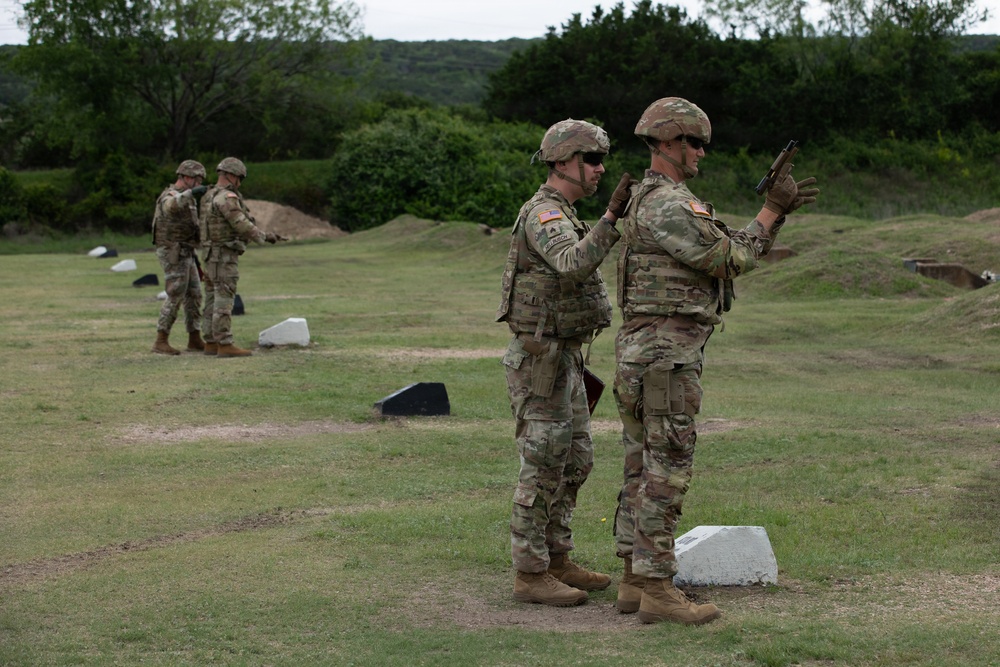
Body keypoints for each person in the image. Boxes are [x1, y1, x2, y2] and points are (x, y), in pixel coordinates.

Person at [612, 97, 818, 624]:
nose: (703, 151)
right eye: (694, 142)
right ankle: (656, 587)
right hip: (664, 356)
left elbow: (720, 247)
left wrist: (772, 213)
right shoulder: (668, 204)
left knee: (641, 466)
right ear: (666, 143)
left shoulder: (653, 199)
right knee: (666, 469)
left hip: (646, 352)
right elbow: (730, 258)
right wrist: (773, 210)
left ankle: (635, 580)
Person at [496, 119, 634, 607]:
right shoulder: (544, 215)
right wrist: (613, 217)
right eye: (591, 160)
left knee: (574, 459)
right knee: (542, 462)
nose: (600, 170)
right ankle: (530, 573)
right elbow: (573, 263)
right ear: (562, 163)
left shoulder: (566, 212)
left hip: (565, 356)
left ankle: (556, 558)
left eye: (601, 161)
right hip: (542, 359)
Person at [199, 157, 281, 358]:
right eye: (240, 179)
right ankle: (225, 343)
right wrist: (265, 237)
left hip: (209, 254)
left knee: (211, 297)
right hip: (224, 255)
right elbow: (241, 224)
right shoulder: (227, 197)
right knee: (224, 298)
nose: (240, 183)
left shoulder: (208, 196)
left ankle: (210, 341)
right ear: (232, 176)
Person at [151, 160, 209, 355]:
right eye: (196, 178)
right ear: (184, 177)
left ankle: (194, 338)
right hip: (172, 251)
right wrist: (190, 194)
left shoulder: (189, 200)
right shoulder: (171, 196)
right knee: (176, 293)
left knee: (195, 294)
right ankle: (161, 339)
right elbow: (170, 207)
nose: (199, 182)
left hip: (186, 251)